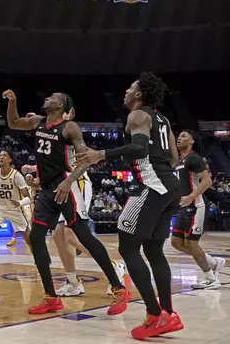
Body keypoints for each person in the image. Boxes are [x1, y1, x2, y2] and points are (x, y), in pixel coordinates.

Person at [75, 72, 182, 339]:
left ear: (139, 94)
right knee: (154, 250)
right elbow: (174, 155)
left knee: (127, 246)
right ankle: (168, 313)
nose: (125, 91)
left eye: (130, 87)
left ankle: (155, 315)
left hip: (151, 186)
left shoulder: (137, 116)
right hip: (171, 187)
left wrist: (101, 155)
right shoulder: (163, 119)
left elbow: (138, 149)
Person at [3, 90, 129, 315]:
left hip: (66, 186)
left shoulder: (69, 128)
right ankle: (51, 297)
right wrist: (13, 101)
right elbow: (13, 123)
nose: (47, 98)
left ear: (60, 105)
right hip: (47, 189)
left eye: (52, 97)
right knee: (36, 237)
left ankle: (119, 288)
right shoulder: (38, 122)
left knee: (82, 236)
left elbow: (84, 160)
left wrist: (69, 181)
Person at [21, 110, 125, 298]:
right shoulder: (52, 132)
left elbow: (74, 161)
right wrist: (37, 178)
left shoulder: (69, 131)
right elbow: (55, 164)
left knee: (71, 233)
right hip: (57, 185)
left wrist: (34, 169)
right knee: (59, 235)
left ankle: (114, 267)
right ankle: (73, 281)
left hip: (77, 182)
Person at [171, 131, 225, 289]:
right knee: (175, 242)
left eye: (183, 136)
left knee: (191, 243)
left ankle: (211, 278)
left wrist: (191, 196)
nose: (179, 138)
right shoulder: (180, 160)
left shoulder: (193, 157)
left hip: (196, 205)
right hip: (184, 206)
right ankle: (214, 262)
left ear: (192, 141)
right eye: (178, 137)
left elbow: (207, 181)